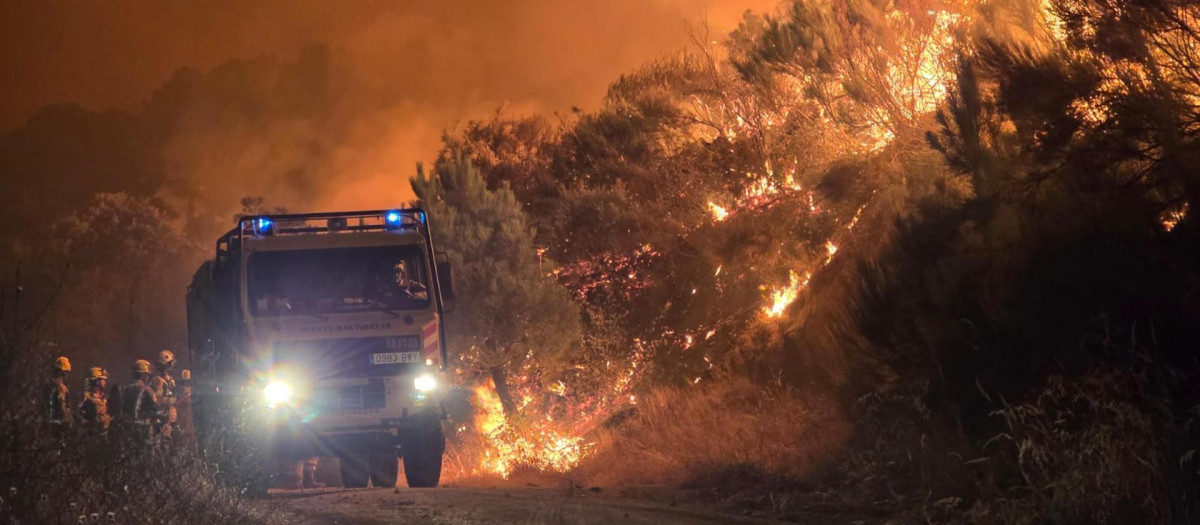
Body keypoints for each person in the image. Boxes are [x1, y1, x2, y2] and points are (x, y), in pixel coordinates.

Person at [113, 360, 157, 447]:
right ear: (143, 375)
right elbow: (156, 408)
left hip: (126, 426)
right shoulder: (147, 389)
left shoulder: (123, 388)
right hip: (143, 428)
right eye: (147, 375)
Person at [148, 350, 178, 445]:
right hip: (162, 419)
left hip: (170, 418)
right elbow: (157, 400)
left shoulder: (169, 379)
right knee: (163, 446)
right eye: (169, 365)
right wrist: (174, 400)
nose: (171, 367)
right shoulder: (158, 380)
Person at [78, 367, 111, 438]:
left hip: (104, 435)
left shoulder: (103, 397)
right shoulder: (86, 397)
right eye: (103, 379)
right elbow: (80, 416)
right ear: (97, 381)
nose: (105, 381)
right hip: (92, 436)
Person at [46, 356, 73, 435]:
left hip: (60, 426)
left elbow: (68, 407)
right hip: (55, 427)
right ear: (64, 372)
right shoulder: (53, 387)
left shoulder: (63, 388)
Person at [175, 369, 195, 449]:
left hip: (190, 425)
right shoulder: (179, 394)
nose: (187, 385)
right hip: (183, 424)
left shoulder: (193, 393)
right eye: (186, 382)